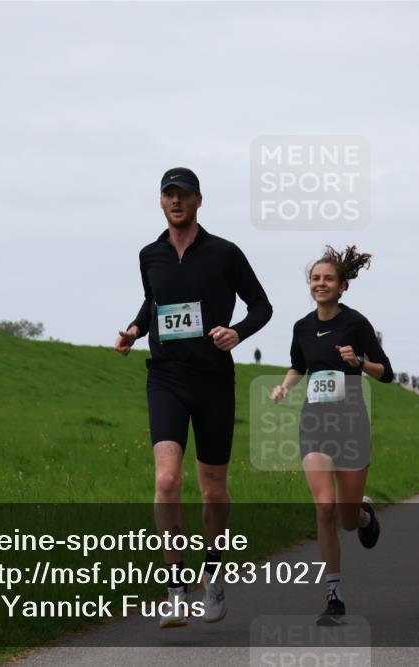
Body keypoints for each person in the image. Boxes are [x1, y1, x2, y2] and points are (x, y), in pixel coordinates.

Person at [115, 167, 273, 629]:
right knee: (166, 481)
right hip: (165, 377)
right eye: (169, 195)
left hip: (213, 380)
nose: (176, 201)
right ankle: (176, 587)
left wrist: (237, 332)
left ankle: (214, 574)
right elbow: (153, 302)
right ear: (161, 202)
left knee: (213, 488)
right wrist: (134, 330)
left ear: (199, 201)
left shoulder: (225, 253)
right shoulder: (150, 254)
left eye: (183, 195)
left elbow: (261, 306)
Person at [271, 245, 393, 624]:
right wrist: (285, 387)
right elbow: (298, 366)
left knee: (346, 517)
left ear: (342, 287)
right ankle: (334, 593)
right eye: (315, 278)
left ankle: (364, 516)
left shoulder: (356, 324)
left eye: (328, 279)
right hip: (315, 423)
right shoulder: (302, 327)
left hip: (351, 422)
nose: (320, 284)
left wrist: (358, 362)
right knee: (324, 507)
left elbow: (386, 372)